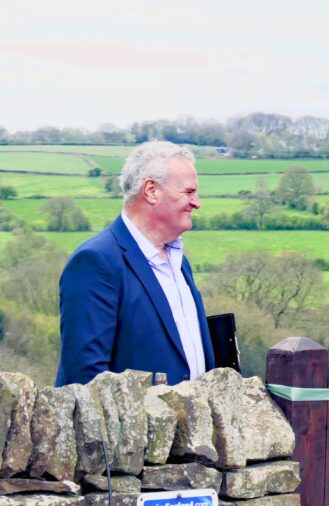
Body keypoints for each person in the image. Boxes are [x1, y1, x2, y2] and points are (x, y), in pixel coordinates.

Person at [55, 140, 214, 386]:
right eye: (189, 192)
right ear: (151, 190)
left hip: (194, 421)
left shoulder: (180, 262)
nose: (197, 203)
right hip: (135, 424)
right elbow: (84, 377)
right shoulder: (96, 262)